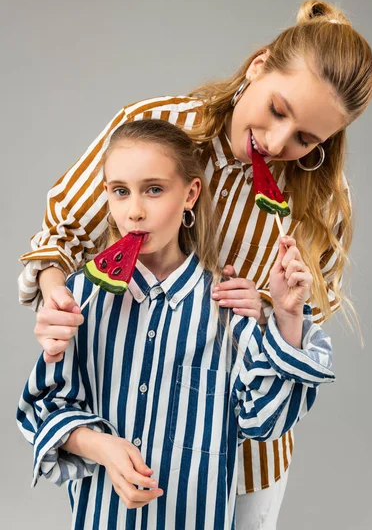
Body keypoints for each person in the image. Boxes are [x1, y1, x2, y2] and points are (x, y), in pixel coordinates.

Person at [18, 0, 372, 529]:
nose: (278, 144)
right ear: (258, 66)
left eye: (307, 139)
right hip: (125, 424)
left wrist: (272, 311)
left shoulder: (323, 201)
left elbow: (307, 324)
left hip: (247, 451)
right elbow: (61, 237)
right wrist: (55, 293)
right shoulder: (156, 125)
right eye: (278, 110)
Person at [17, 119, 334, 529]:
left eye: (154, 189)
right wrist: (100, 446)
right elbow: (46, 407)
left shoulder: (229, 305)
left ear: (190, 194)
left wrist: (289, 318)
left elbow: (265, 421)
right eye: (120, 191)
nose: (134, 210)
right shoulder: (81, 297)